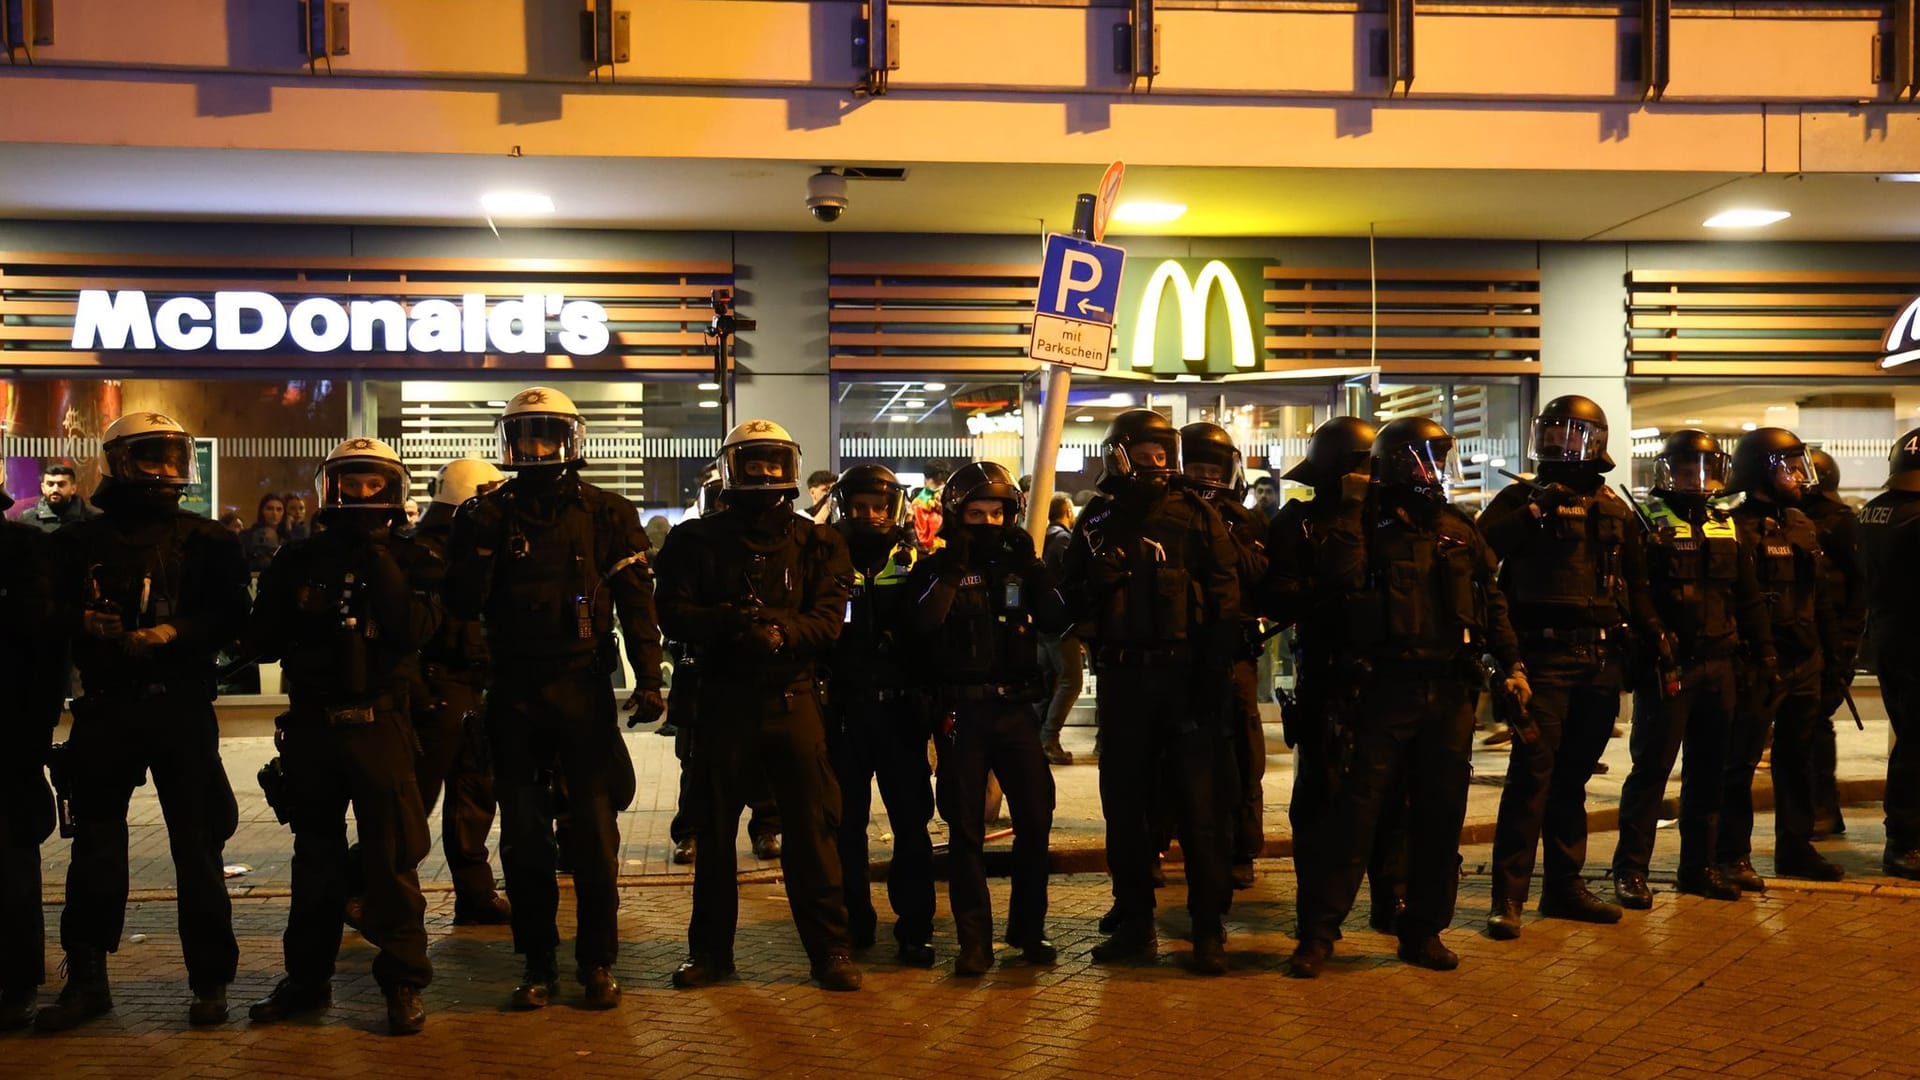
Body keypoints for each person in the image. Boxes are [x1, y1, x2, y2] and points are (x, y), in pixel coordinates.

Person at [445, 387, 665, 1010]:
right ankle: (537, 962)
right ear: (508, 441)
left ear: (571, 439)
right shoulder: (483, 515)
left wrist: (650, 678)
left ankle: (597, 961)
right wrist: (480, 546)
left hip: (582, 687)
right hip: (512, 690)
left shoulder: (607, 512)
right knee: (523, 838)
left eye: (547, 434)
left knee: (595, 835)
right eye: (525, 435)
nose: (536, 447)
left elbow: (637, 604)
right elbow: (459, 604)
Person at [1287, 416, 1528, 977]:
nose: (1436, 470)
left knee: (1439, 820)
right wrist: (1351, 510)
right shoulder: (1363, 523)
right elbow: (1338, 581)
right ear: (1395, 464)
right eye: (1426, 459)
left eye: (1440, 459)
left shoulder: (1457, 527)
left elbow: (1490, 602)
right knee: (1352, 818)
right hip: (1379, 692)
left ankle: (1423, 931)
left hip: (1449, 694)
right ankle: (1318, 934)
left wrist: (1512, 663)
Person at [35, 414, 247, 1032]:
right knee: (96, 846)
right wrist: (83, 622)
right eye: (152, 456)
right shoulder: (77, 542)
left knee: (198, 847)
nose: (165, 469)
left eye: (173, 456)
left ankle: (210, 982)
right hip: (106, 706)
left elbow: (234, 616)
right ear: (120, 461)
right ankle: (87, 979)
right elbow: (40, 614)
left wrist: (174, 631)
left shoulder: (208, 539)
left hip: (181, 705)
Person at [654, 419, 861, 992]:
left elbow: (829, 621)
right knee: (713, 836)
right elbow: (670, 612)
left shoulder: (821, 542)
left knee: (813, 834)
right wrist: (729, 622)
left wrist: (778, 633)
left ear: (790, 468)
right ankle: (710, 953)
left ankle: (830, 951)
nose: (765, 473)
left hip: (793, 698)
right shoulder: (693, 541)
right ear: (732, 468)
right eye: (754, 463)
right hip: (722, 701)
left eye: (774, 462)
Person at [245, 438, 434, 1036]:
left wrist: (378, 558)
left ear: (393, 489)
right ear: (331, 488)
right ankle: (306, 981)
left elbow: (413, 631)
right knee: (315, 862)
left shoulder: (414, 558)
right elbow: (262, 641)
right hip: (314, 727)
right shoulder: (297, 560)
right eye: (351, 483)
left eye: (373, 483)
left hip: (381, 723)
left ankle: (403, 982)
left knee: (393, 859)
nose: (362, 494)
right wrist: (304, 605)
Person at [1477, 395, 1666, 939]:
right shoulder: (1520, 497)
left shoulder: (1614, 506)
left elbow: (1638, 584)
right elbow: (1478, 554)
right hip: (1540, 660)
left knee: (1573, 779)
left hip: (1599, 661)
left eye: (1572, 433)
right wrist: (1534, 511)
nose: (1559, 442)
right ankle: (1508, 898)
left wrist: (1655, 640)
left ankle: (1564, 886)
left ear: (1596, 442)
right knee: (1530, 779)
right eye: (1551, 431)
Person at [1061, 409, 1240, 975]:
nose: (1156, 465)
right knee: (1125, 810)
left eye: (1164, 455)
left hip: (1187, 681)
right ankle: (1135, 922)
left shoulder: (1197, 516)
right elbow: (1067, 596)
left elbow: (1226, 597)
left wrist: (1213, 674)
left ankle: (1207, 928)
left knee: (1200, 810)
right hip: (1124, 681)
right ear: (1119, 456)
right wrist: (1093, 583)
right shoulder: (1098, 519)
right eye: (1144, 455)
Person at [907, 461, 1065, 975]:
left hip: (1016, 713)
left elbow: (1057, 618)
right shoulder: (936, 568)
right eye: (977, 513)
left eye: (998, 513)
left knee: (1036, 820)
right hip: (964, 713)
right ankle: (973, 942)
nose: (989, 523)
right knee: (966, 831)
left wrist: (1034, 567)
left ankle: (1028, 929)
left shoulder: (1018, 566)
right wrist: (953, 570)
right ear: (958, 514)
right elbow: (922, 624)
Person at [1264, 417, 1408, 945]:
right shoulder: (1298, 521)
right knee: (1322, 800)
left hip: (1390, 679)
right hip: (1328, 677)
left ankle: (1392, 898)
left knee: (1394, 796)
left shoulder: (1393, 521)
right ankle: (1317, 912)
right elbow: (1278, 595)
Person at [1608, 431, 1758, 906]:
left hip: (1720, 662)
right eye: (1688, 469)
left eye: (1706, 468)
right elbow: (1632, 589)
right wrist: (1652, 634)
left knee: (1710, 772)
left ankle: (1699, 867)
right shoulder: (1645, 519)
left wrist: (1764, 654)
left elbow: (1747, 596)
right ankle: (1630, 870)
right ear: (1667, 470)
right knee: (1651, 771)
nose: (1698, 478)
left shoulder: (1726, 523)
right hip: (1669, 665)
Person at [824, 464, 937, 967]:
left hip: (900, 713)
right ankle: (854, 923)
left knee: (911, 827)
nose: (869, 515)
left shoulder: (916, 560)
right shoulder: (823, 558)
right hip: (843, 713)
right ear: (843, 506)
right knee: (844, 827)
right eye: (859, 506)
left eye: (878, 506)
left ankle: (915, 929)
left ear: (894, 508)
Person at [1721, 427, 1840, 884]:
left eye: (1798, 467)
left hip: (1805, 659)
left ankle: (1796, 848)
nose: (1798, 476)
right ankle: (1733, 854)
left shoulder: (1801, 524)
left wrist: (1834, 656)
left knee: (1798, 758)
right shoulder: (1731, 526)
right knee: (1740, 761)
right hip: (1754, 661)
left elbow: (1820, 596)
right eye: (1788, 468)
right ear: (1759, 471)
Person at [664, 460, 782, 865]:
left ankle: (767, 827)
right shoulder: (691, 543)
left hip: (758, 670)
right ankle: (690, 832)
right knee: (696, 761)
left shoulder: (771, 543)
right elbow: (673, 609)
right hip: (703, 667)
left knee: (763, 759)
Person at [409, 458, 511, 925]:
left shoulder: (459, 546)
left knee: (473, 792)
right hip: (439, 686)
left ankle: (475, 893)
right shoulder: (429, 553)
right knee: (416, 800)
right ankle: (368, 886)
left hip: (468, 685)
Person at [1181, 422, 1271, 889]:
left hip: (1234, 652)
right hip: (1177, 652)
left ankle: (1242, 849)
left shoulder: (1244, 521)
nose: (1205, 478)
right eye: (1195, 468)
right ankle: (1162, 843)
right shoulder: (1165, 517)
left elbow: (1262, 575)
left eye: (1212, 470)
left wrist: (1223, 532)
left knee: (1243, 754)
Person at [0, 481, 62, 1031]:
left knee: (13, 861)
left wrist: (34, 735)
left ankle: (17, 982)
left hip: (10, 734)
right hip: (16, 733)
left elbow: (43, 651)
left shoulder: (22, 553)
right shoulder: (25, 551)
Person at [1858, 429, 1920, 880]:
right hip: (1912, 641)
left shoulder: (1874, 511)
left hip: (1889, 635)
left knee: (1911, 741)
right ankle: (1905, 842)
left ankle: (1905, 839)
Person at [1799, 448, 1865, 839]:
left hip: (1829, 638)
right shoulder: (1788, 519)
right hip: (1799, 636)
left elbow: (1859, 584)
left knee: (1815, 725)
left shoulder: (1840, 522)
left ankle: (1823, 807)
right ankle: (1813, 809)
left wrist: (1846, 640)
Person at [1036, 493, 1081, 765]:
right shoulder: (1064, 539)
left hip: (1043, 621)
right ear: (1067, 511)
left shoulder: (1043, 536)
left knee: (1047, 682)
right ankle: (1049, 739)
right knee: (1071, 681)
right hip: (1061, 623)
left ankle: (1038, 738)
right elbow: (1073, 577)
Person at [21, 463, 99, 532]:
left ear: (73, 489)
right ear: (43, 488)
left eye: (61, 484)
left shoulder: (93, 518)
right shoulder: (27, 518)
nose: (55, 489)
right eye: (50, 484)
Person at [243, 493, 287, 573]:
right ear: (262, 511)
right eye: (270, 509)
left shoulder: (287, 538)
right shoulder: (248, 536)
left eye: (279, 509)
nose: (274, 513)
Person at [910, 465, 949, 553]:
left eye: (943, 486)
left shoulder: (947, 502)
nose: (939, 491)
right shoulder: (919, 503)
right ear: (926, 480)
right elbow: (920, 537)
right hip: (927, 552)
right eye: (937, 484)